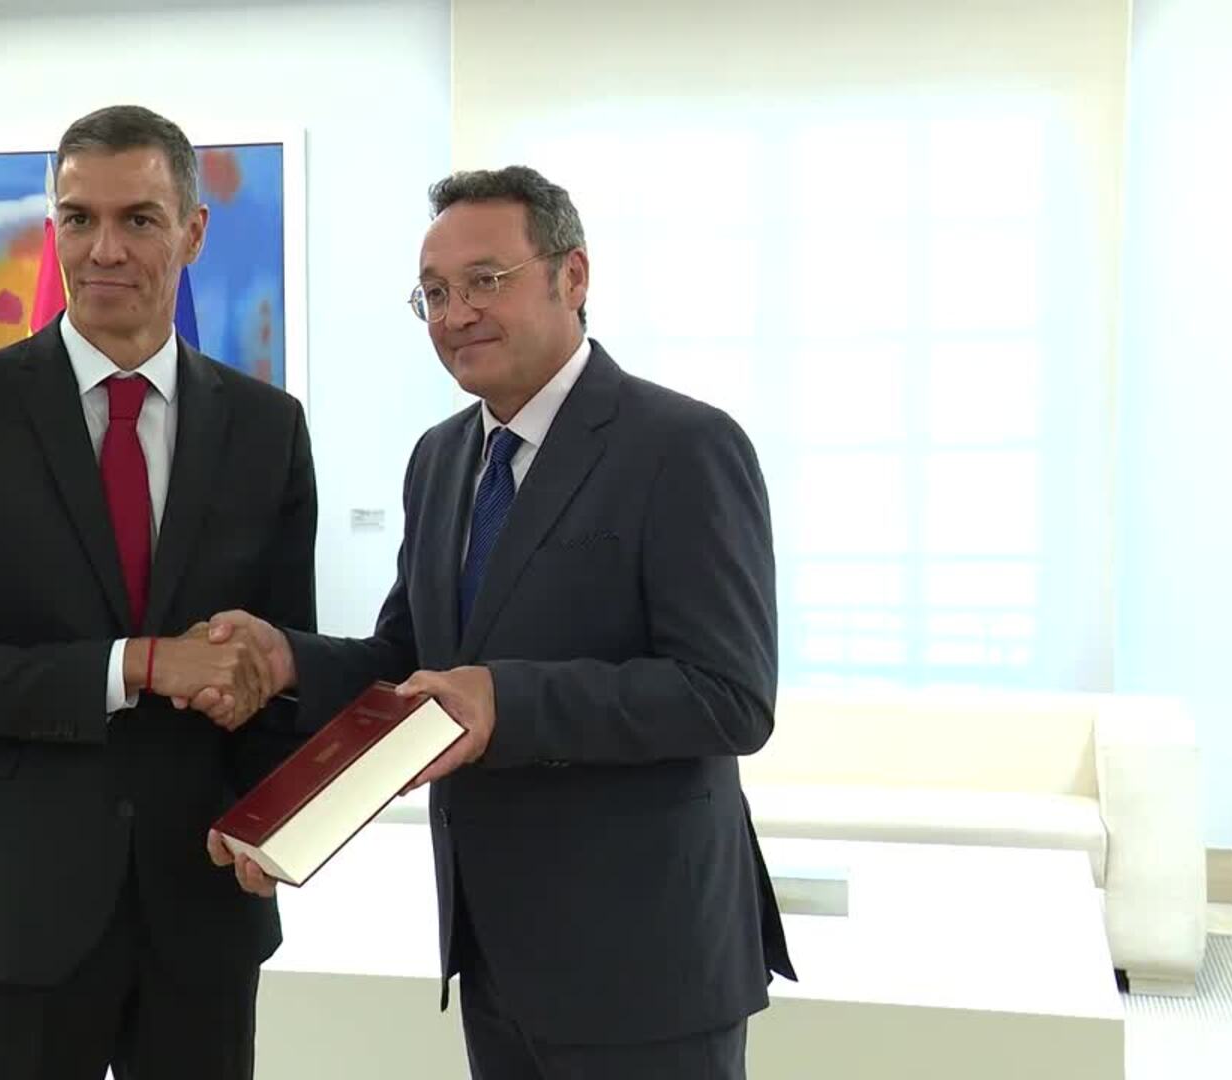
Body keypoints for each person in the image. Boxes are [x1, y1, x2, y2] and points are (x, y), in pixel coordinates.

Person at [200, 165, 794, 1079]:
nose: (456, 314)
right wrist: (289, 661)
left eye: (485, 280)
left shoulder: (683, 446)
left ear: (573, 276)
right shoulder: (441, 460)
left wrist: (503, 703)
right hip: (494, 956)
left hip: (649, 963)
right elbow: (410, 662)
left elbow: (729, 697)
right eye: (434, 293)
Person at [0, 104, 316, 1080]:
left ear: (193, 232)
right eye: (78, 219)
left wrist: (282, 813)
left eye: (138, 220)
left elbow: (279, 669)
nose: (103, 249)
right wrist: (141, 666)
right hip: (8, 912)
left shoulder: (268, 429)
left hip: (201, 907)